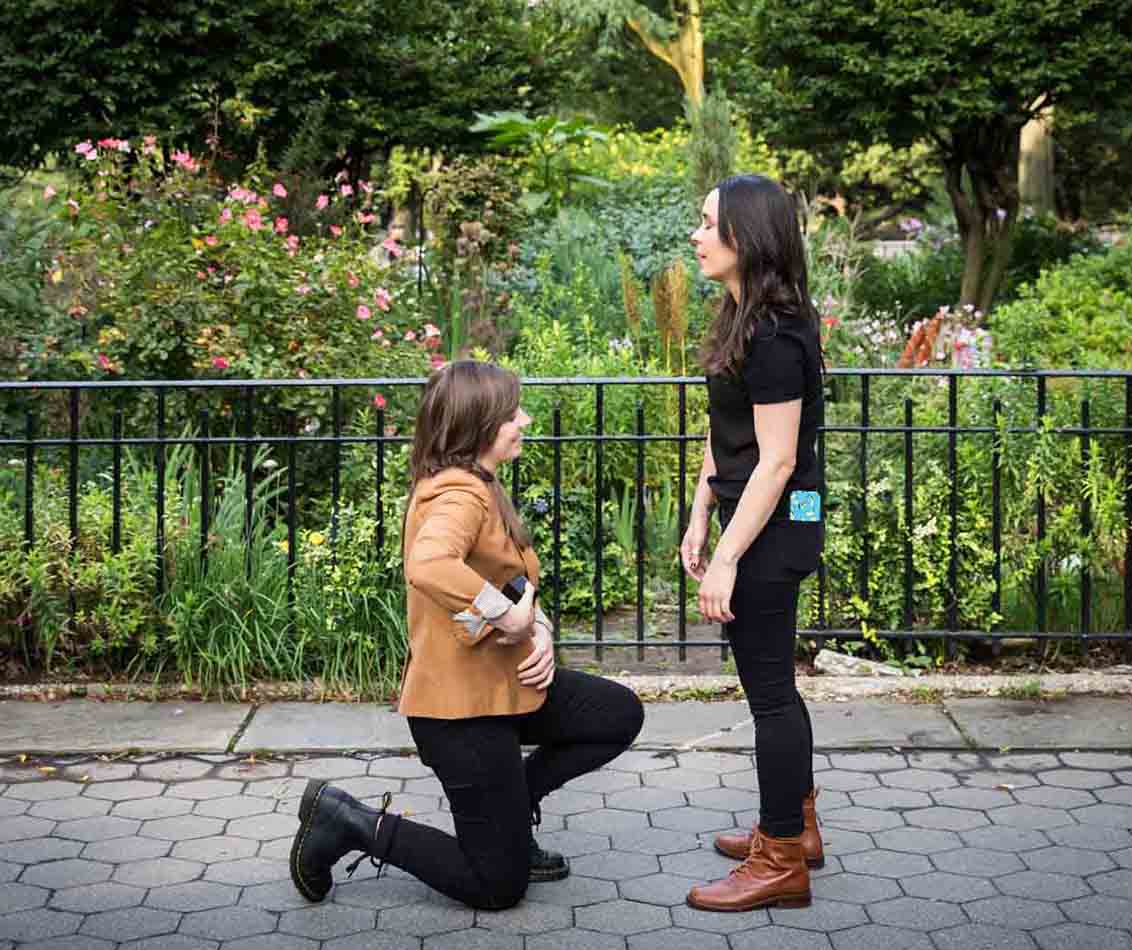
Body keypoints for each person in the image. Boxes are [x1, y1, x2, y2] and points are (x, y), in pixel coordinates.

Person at [290, 359, 645, 910]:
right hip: (459, 713)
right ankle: (351, 823)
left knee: (616, 713)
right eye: (512, 413)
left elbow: (515, 583)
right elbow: (428, 563)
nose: (524, 419)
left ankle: (513, 802)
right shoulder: (460, 495)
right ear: (480, 424)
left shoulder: (482, 484)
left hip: (504, 688)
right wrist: (507, 619)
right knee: (497, 887)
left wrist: (540, 629)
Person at [680, 173, 826, 912]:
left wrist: (729, 558)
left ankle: (779, 861)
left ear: (747, 236)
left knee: (769, 696)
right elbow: (727, 435)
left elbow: (776, 459)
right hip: (754, 518)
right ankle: (795, 828)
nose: (697, 236)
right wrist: (702, 508)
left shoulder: (772, 334)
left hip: (774, 530)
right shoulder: (742, 318)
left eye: (709, 224)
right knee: (776, 689)